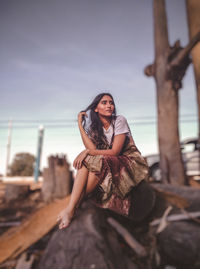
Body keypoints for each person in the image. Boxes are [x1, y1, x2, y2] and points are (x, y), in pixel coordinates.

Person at [57, 93, 149, 229]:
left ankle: (71, 208)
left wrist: (88, 152)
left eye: (111, 103)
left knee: (97, 160)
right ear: (96, 108)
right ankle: (72, 207)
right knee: (87, 162)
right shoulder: (96, 128)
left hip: (128, 160)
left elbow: (115, 152)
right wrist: (80, 125)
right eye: (104, 103)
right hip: (108, 159)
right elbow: (92, 148)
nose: (109, 105)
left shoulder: (119, 120)